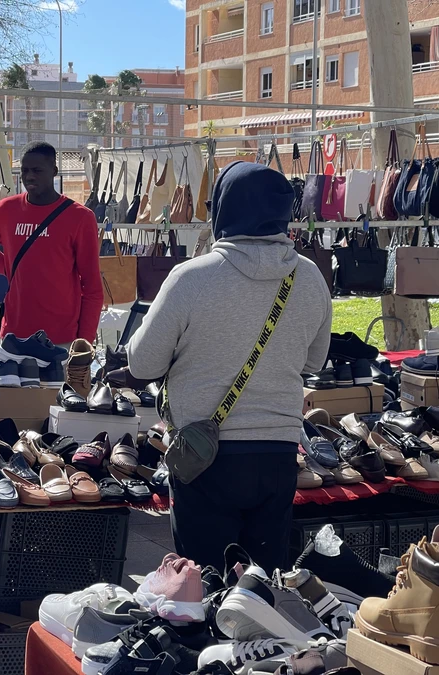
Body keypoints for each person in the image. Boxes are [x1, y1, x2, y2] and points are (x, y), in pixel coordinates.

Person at [126, 162, 332, 573]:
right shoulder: (310, 277)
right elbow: (314, 361)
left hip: (206, 456)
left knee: (204, 584)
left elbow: (142, 362)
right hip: (278, 454)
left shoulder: (191, 277)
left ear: (224, 207)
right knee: (263, 585)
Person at [0, 142, 103, 346]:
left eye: (37, 170)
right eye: (25, 171)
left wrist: (84, 341)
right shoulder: (6, 210)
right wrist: (8, 267)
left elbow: (92, 286)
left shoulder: (80, 217)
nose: (30, 176)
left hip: (61, 338)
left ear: (54, 172)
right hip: (13, 335)